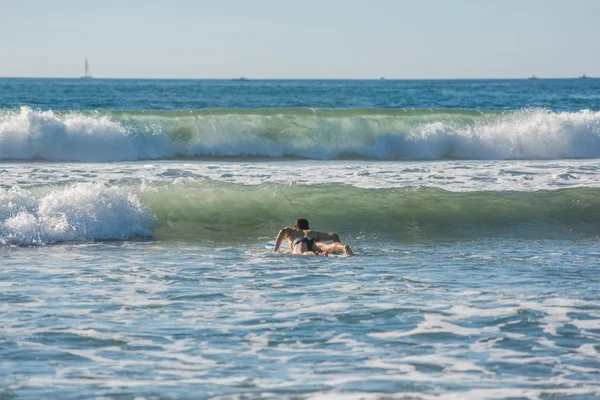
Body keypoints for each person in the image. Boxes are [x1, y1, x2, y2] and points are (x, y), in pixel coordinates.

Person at [273, 217, 354, 256]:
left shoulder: (291, 230)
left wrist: (276, 249)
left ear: (295, 226)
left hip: (299, 241)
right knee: (329, 247)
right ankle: (343, 248)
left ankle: (320, 254)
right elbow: (334, 236)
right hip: (313, 241)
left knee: (300, 253)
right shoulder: (313, 232)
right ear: (308, 227)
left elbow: (282, 231)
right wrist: (336, 252)